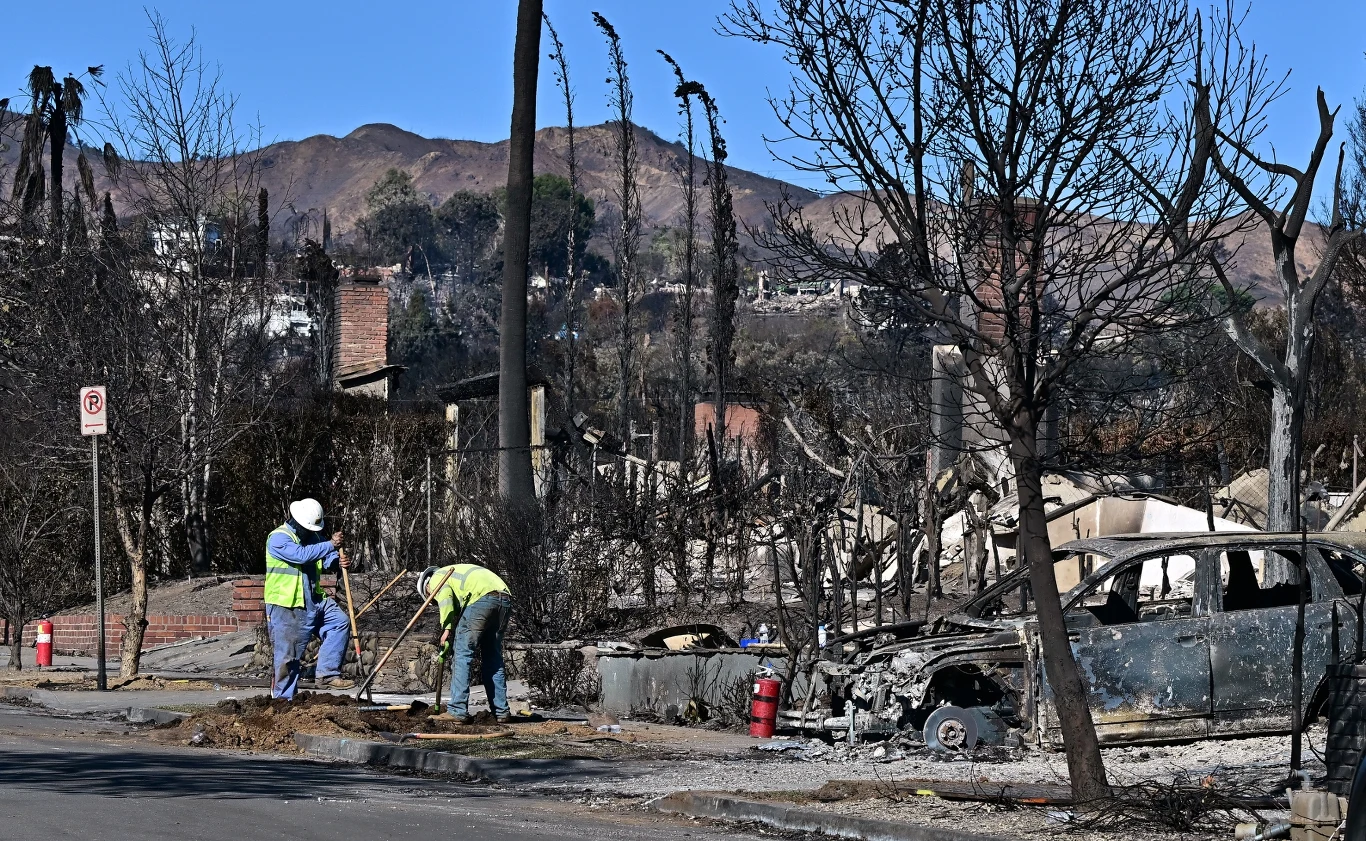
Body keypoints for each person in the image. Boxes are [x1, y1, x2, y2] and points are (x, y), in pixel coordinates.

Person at [265, 498, 356, 699]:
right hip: (287, 606)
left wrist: (338, 562)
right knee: (288, 657)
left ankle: (327, 673)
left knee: (339, 622)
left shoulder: (313, 537)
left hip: (314, 601)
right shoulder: (278, 539)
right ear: (297, 521)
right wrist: (330, 545)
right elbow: (302, 555)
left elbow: (325, 558)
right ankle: (283, 700)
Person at [418, 564, 513, 723]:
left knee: (462, 654)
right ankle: (501, 711)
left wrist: (447, 628)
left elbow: (446, 596)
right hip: (504, 599)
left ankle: (457, 710)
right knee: (493, 658)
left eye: (432, 600)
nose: (435, 602)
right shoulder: (459, 571)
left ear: (427, 589)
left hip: (481, 599)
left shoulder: (436, 579)